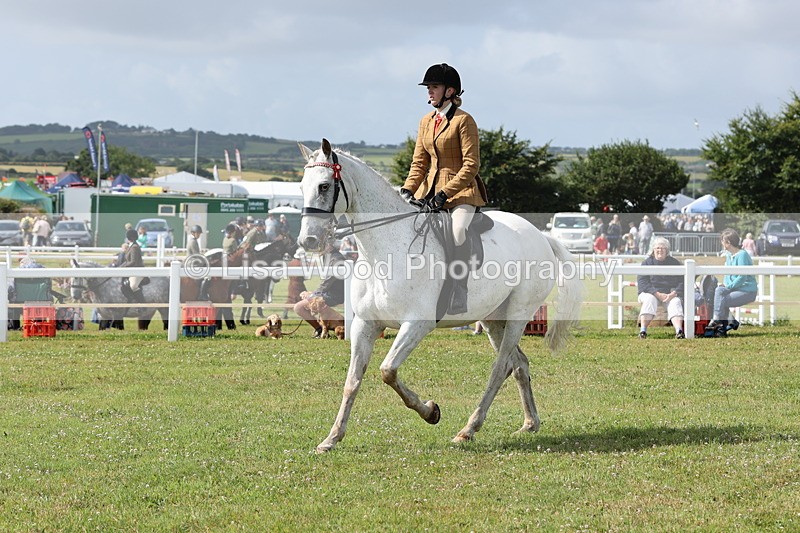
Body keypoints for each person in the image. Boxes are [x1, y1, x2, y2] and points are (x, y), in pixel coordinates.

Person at [398, 63, 488, 315]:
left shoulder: (464, 121)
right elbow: (419, 163)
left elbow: (471, 165)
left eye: (434, 86)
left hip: (461, 192)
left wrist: (445, 193)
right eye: (428, 87)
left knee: (458, 231)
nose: (429, 91)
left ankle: (459, 288)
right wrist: (407, 190)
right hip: (428, 191)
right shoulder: (426, 121)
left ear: (449, 91)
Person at [708, 228, 758, 335]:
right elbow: (728, 274)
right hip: (735, 289)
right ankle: (726, 323)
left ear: (728, 242)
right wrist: (725, 285)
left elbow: (742, 277)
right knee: (719, 293)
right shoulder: (729, 255)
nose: (721, 243)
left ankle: (719, 321)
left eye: (723, 241)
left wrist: (728, 287)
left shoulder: (742, 255)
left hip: (747, 291)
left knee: (720, 301)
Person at [636, 237, 685, 339]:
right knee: (649, 299)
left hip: (669, 294)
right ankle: (643, 331)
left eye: (663, 248)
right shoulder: (646, 263)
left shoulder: (675, 263)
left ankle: (679, 331)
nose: (660, 250)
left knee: (675, 302)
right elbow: (643, 283)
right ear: (653, 250)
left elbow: (682, 282)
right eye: (657, 248)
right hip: (650, 293)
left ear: (667, 250)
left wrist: (673, 294)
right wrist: (656, 293)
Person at [293, 248, 346, 337]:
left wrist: (312, 295)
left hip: (335, 295)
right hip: (329, 293)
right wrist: (312, 294)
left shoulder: (336, 259)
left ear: (328, 245)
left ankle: (320, 329)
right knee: (300, 306)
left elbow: (327, 282)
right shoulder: (329, 256)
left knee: (299, 307)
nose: (316, 249)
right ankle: (322, 329)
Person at [116, 228, 146, 303]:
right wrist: (120, 267)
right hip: (132, 270)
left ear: (129, 238)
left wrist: (123, 267)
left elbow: (133, 261)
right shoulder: (131, 246)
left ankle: (142, 304)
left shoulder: (134, 247)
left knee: (133, 286)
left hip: (137, 271)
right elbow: (127, 261)